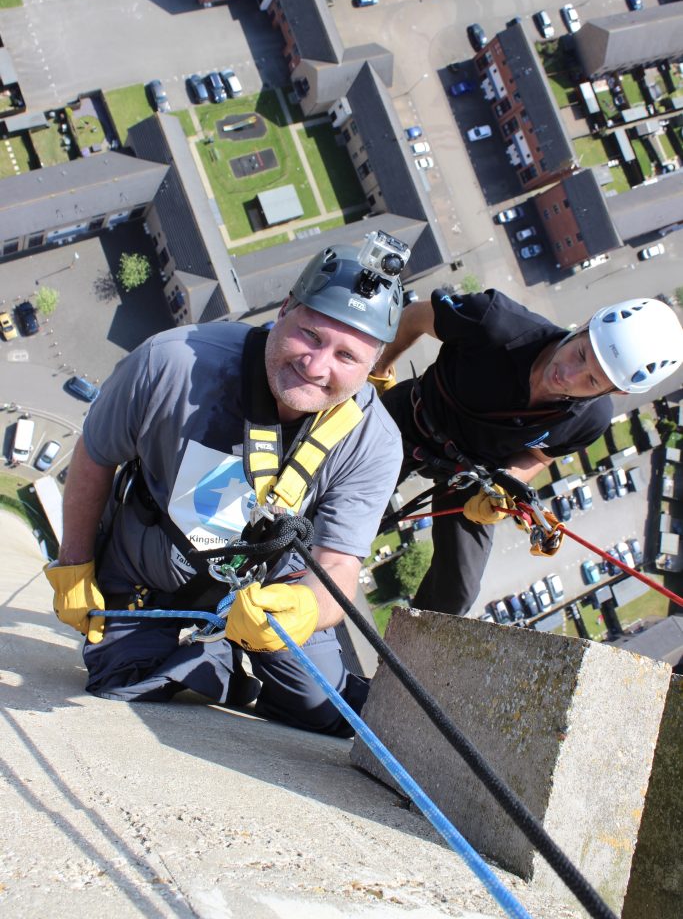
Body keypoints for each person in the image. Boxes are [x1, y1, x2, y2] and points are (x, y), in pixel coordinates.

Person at [44, 235, 408, 736]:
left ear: (372, 368)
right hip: (151, 568)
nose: (317, 366)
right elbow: (94, 458)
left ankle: (247, 671)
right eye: (310, 335)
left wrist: (306, 609)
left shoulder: (374, 444)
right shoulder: (171, 365)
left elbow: (339, 563)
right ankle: (222, 673)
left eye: (347, 356)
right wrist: (74, 564)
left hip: (270, 590)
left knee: (327, 712)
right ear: (284, 310)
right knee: (120, 680)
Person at [371, 290, 683, 616]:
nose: (569, 374)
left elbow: (540, 456)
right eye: (580, 354)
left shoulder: (589, 421)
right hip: (408, 419)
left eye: (591, 380)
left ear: (615, 391)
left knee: (457, 593)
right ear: (586, 326)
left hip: (471, 475)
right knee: (341, 495)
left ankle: (396, 657)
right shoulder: (494, 323)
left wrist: (506, 485)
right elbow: (416, 317)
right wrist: (378, 372)